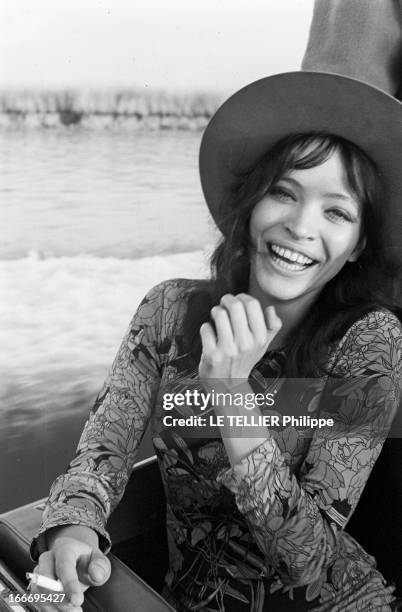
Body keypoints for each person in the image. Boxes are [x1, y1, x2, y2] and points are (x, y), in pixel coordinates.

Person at [30, 71, 402, 611]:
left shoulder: (370, 340)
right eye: (284, 192)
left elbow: (309, 561)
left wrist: (231, 394)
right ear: (253, 204)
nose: (300, 226)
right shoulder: (168, 311)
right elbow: (101, 454)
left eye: (336, 212)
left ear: (358, 243)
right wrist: (73, 532)